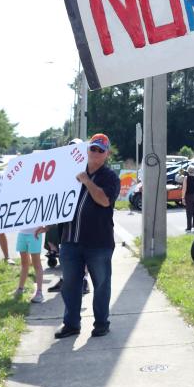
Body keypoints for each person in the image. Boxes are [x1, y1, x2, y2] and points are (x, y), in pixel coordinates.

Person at [54, 133, 120, 339]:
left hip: (98, 243)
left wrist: (86, 181)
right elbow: (57, 202)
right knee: (70, 286)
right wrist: (46, 227)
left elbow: (104, 200)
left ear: (106, 154)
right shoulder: (71, 172)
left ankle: (101, 323)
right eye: (93, 148)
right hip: (70, 240)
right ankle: (71, 324)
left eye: (101, 150)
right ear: (87, 150)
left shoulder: (110, 177)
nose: (96, 152)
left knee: (101, 285)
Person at [46, 138, 90, 296]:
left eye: (76, 149)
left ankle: (84, 280)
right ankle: (65, 278)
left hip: (82, 217)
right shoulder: (62, 169)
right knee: (64, 249)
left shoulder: (87, 169)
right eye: (71, 149)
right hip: (64, 217)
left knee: (83, 249)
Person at [14, 225, 46, 303]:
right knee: (24, 263)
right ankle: (20, 288)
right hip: (22, 233)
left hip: (35, 234)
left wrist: (45, 228)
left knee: (36, 264)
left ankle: (39, 292)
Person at [181, 164, 194, 232]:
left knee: (189, 211)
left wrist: (183, 198)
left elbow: (184, 188)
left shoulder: (186, 178)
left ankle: (189, 227)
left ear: (188, 171)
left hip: (189, 196)